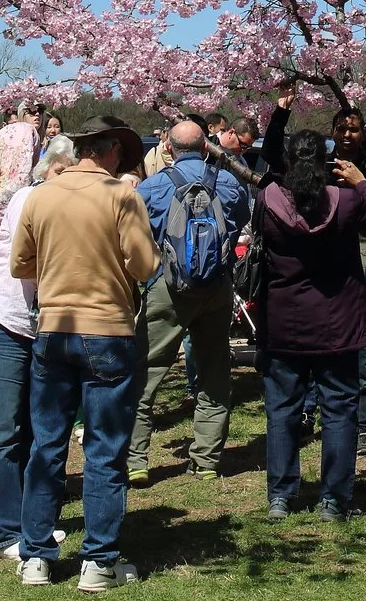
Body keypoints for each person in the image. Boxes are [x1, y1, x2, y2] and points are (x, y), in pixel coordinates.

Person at [13, 114, 157, 591]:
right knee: (105, 448)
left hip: (54, 327)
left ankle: (36, 554)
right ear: (112, 149)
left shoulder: (42, 195)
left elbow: (20, 264)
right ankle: (99, 560)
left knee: (47, 444)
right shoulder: (121, 195)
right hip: (108, 329)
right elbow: (143, 265)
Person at [255, 130, 366, 519]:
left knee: (282, 408)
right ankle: (334, 499)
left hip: (285, 318)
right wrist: (362, 181)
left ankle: (280, 496)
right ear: (324, 162)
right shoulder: (345, 201)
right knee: (340, 408)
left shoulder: (268, 199)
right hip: (337, 320)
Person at [130, 118, 250, 482]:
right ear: (205, 148)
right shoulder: (229, 183)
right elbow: (241, 219)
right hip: (216, 286)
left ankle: (135, 461)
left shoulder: (152, 187)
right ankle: (206, 461)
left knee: (145, 369)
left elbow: (138, 233)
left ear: (168, 148)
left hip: (168, 286)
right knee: (214, 372)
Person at [0, 126, 58, 558]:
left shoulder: (41, 196)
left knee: (27, 428)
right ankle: (1, 534)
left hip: (31, 324)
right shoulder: (30, 197)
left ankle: (29, 523)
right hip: (3, 320)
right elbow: (29, 262)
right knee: (1, 432)